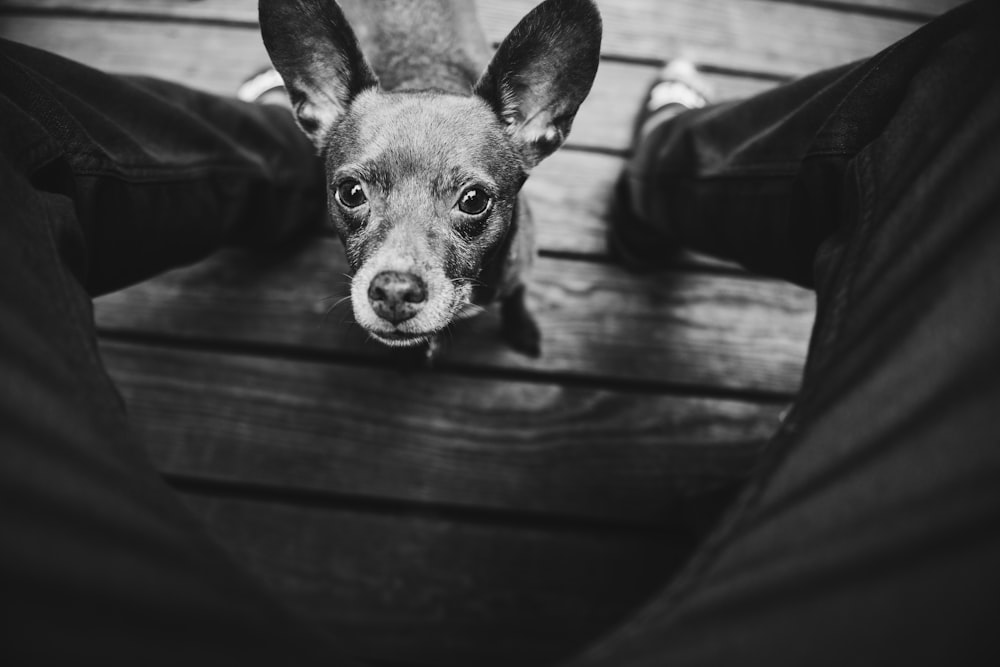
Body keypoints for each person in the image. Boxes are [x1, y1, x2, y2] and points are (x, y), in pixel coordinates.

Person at [1, 0, 997, 665]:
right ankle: (284, 133)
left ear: (537, 125)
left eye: (471, 204)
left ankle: (271, 137)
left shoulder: (506, 142)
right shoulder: (354, 120)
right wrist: (389, 169)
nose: (396, 269)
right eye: (354, 197)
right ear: (324, 113)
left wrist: (500, 294)